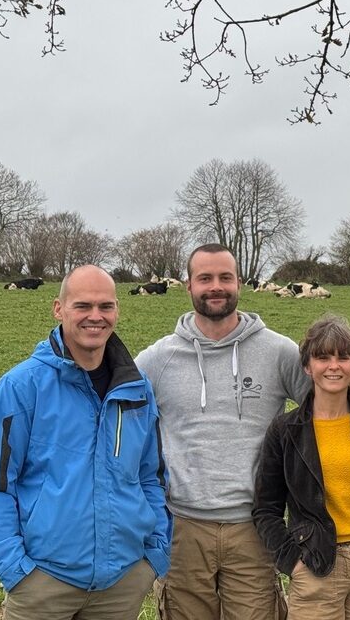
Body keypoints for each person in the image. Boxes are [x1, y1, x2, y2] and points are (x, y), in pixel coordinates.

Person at [0, 265, 171, 620]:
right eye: (83, 306)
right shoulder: (21, 387)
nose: (96, 316)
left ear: (117, 311)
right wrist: (16, 571)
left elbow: (150, 476)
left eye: (106, 306)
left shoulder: (137, 390)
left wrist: (153, 554)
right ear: (58, 309)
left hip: (121, 583)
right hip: (42, 583)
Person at [136, 243, 311, 620]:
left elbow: (328, 409)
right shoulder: (157, 360)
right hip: (181, 528)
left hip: (253, 526)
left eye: (225, 278)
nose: (216, 287)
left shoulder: (279, 352)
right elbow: (116, 417)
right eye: (205, 278)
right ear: (188, 286)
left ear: (239, 284)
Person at [252, 314, 350, 620]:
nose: (333, 366)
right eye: (323, 357)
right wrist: (292, 561)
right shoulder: (286, 430)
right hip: (315, 563)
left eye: (343, 357)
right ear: (307, 367)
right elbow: (265, 508)